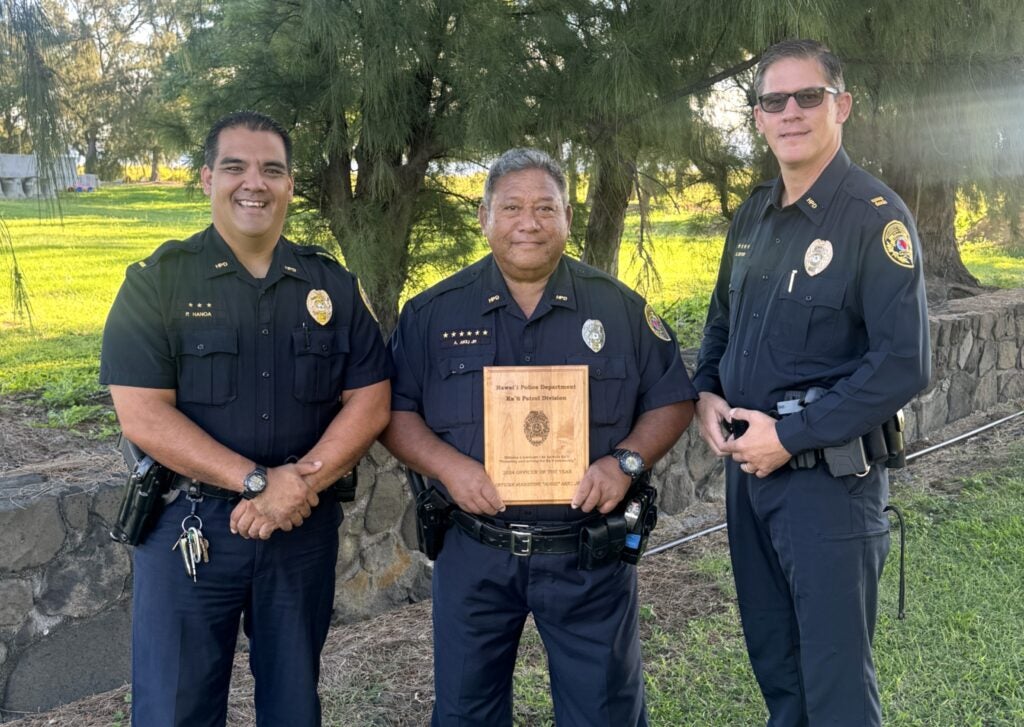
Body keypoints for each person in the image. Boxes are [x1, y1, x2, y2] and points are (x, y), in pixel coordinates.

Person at [380, 147, 696, 726]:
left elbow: (672, 397)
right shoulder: (431, 313)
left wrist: (624, 462)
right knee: (466, 713)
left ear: (568, 218)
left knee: (605, 714)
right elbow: (396, 413)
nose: (529, 223)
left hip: (586, 556)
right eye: (513, 208)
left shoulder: (619, 309)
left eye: (546, 208)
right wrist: (450, 468)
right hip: (475, 552)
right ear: (485, 216)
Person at [99, 110, 391, 727]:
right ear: (207, 178)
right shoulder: (158, 283)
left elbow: (371, 397)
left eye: (272, 170)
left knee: (292, 706)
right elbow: (143, 415)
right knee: (173, 708)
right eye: (234, 167)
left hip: (298, 533)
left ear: (290, 185)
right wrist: (259, 483)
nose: (253, 182)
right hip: (188, 528)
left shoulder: (330, 285)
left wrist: (299, 484)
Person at [692, 40, 931, 726]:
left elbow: (902, 362)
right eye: (774, 100)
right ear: (760, 118)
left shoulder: (874, 217)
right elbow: (720, 322)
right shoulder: (753, 216)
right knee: (779, 672)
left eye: (809, 96)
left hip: (828, 490)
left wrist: (789, 435)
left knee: (835, 690)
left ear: (842, 106)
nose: (790, 112)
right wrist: (707, 391)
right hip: (751, 482)